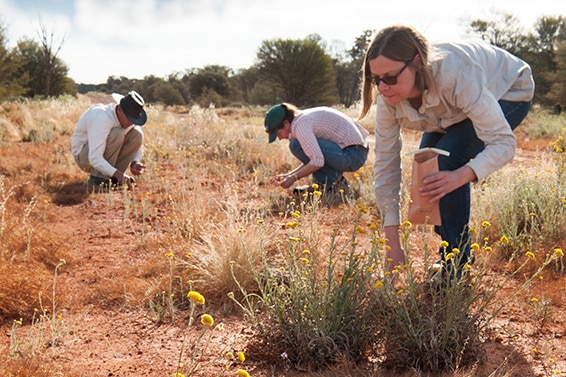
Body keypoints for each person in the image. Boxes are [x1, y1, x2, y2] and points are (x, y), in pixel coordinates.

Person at [359, 25, 534, 282]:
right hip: (455, 108)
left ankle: (455, 264)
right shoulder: (387, 99)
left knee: (444, 164)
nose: (383, 87)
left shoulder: (456, 72)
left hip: (508, 91)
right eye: (376, 79)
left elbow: (503, 143)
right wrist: (392, 247)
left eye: (390, 77)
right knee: (426, 167)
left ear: (416, 62)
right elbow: (386, 166)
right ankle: (451, 250)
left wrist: (460, 176)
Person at [264, 102, 369, 195]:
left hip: (354, 154)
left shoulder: (301, 126)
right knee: (296, 144)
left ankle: (331, 184)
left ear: (286, 123)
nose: (280, 138)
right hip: (354, 151)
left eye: (278, 134)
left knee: (295, 145)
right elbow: (313, 156)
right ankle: (327, 184)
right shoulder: (300, 119)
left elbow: (317, 161)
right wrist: (289, 175)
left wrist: (294, 178)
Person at [71, 91, 148, 190]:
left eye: (134, 120)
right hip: (84, 157)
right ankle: (98, 179)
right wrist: (117, 173)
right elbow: (94, 157)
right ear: (119, 109)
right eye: (129, 118)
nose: (131, 123)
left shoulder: (128, 121)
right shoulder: (102, 118)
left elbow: (137, 144)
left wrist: (135, 161)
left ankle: (114, 179)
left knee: (137, 134)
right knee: (118, 133)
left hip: (100, 156)